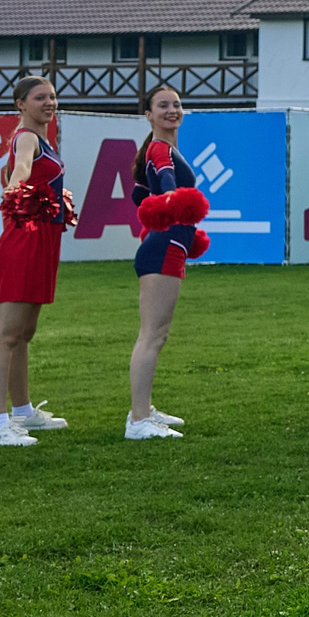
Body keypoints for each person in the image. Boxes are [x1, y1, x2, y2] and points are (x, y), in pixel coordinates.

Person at [0, 75, 71, 446]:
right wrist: (15, 186)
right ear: (20, 104)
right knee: (7, 332)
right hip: (26, 239)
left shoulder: (45, 140)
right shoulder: (27, 138)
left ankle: (21, 412)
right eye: (39, 97)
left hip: (43, 239)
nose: (49, 103)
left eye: (52, 96)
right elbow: (21, 168)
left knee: (24, 332)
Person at [125, 84, 200, 440]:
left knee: (158, 333)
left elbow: (140, 195)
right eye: (163, 105)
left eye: (177, 104)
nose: (172, 110)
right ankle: (139, 420)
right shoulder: (159, 148)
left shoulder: (162, 148)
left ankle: (144, 410)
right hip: (164, 245)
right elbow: (167, 185)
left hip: (168, 244)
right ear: (149, 115)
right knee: (152, 334)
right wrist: (172, 198)